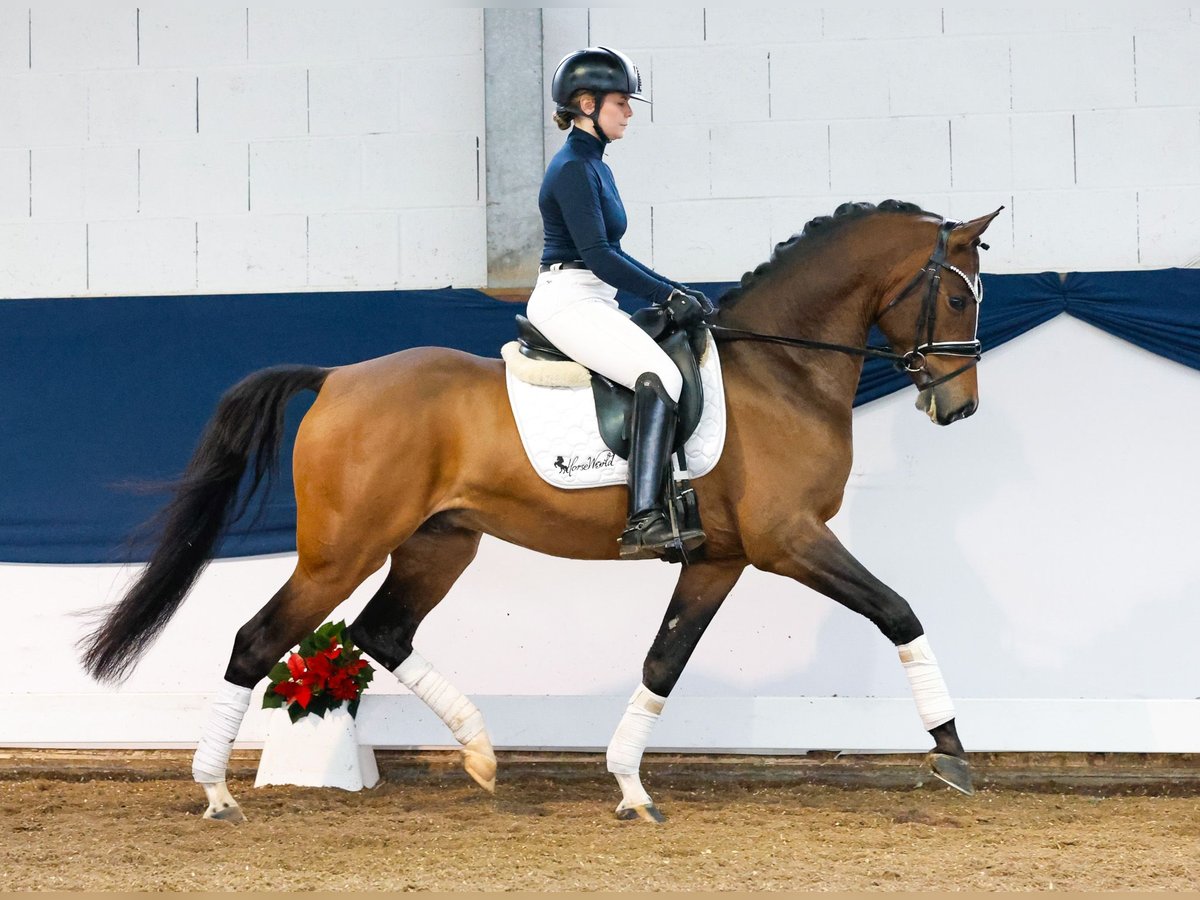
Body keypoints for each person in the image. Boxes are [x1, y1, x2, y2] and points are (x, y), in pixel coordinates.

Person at [527, 46, 710, 561]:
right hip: (567, 298)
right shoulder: (571, 168)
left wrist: (677, 290)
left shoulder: (595, 165)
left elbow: (614, 255)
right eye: (621, 102)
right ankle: (645, 518)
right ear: (586, 104)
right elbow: (600, 257)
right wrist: (666, 293)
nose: (629, 111)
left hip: (591, 295)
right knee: (661, 376)